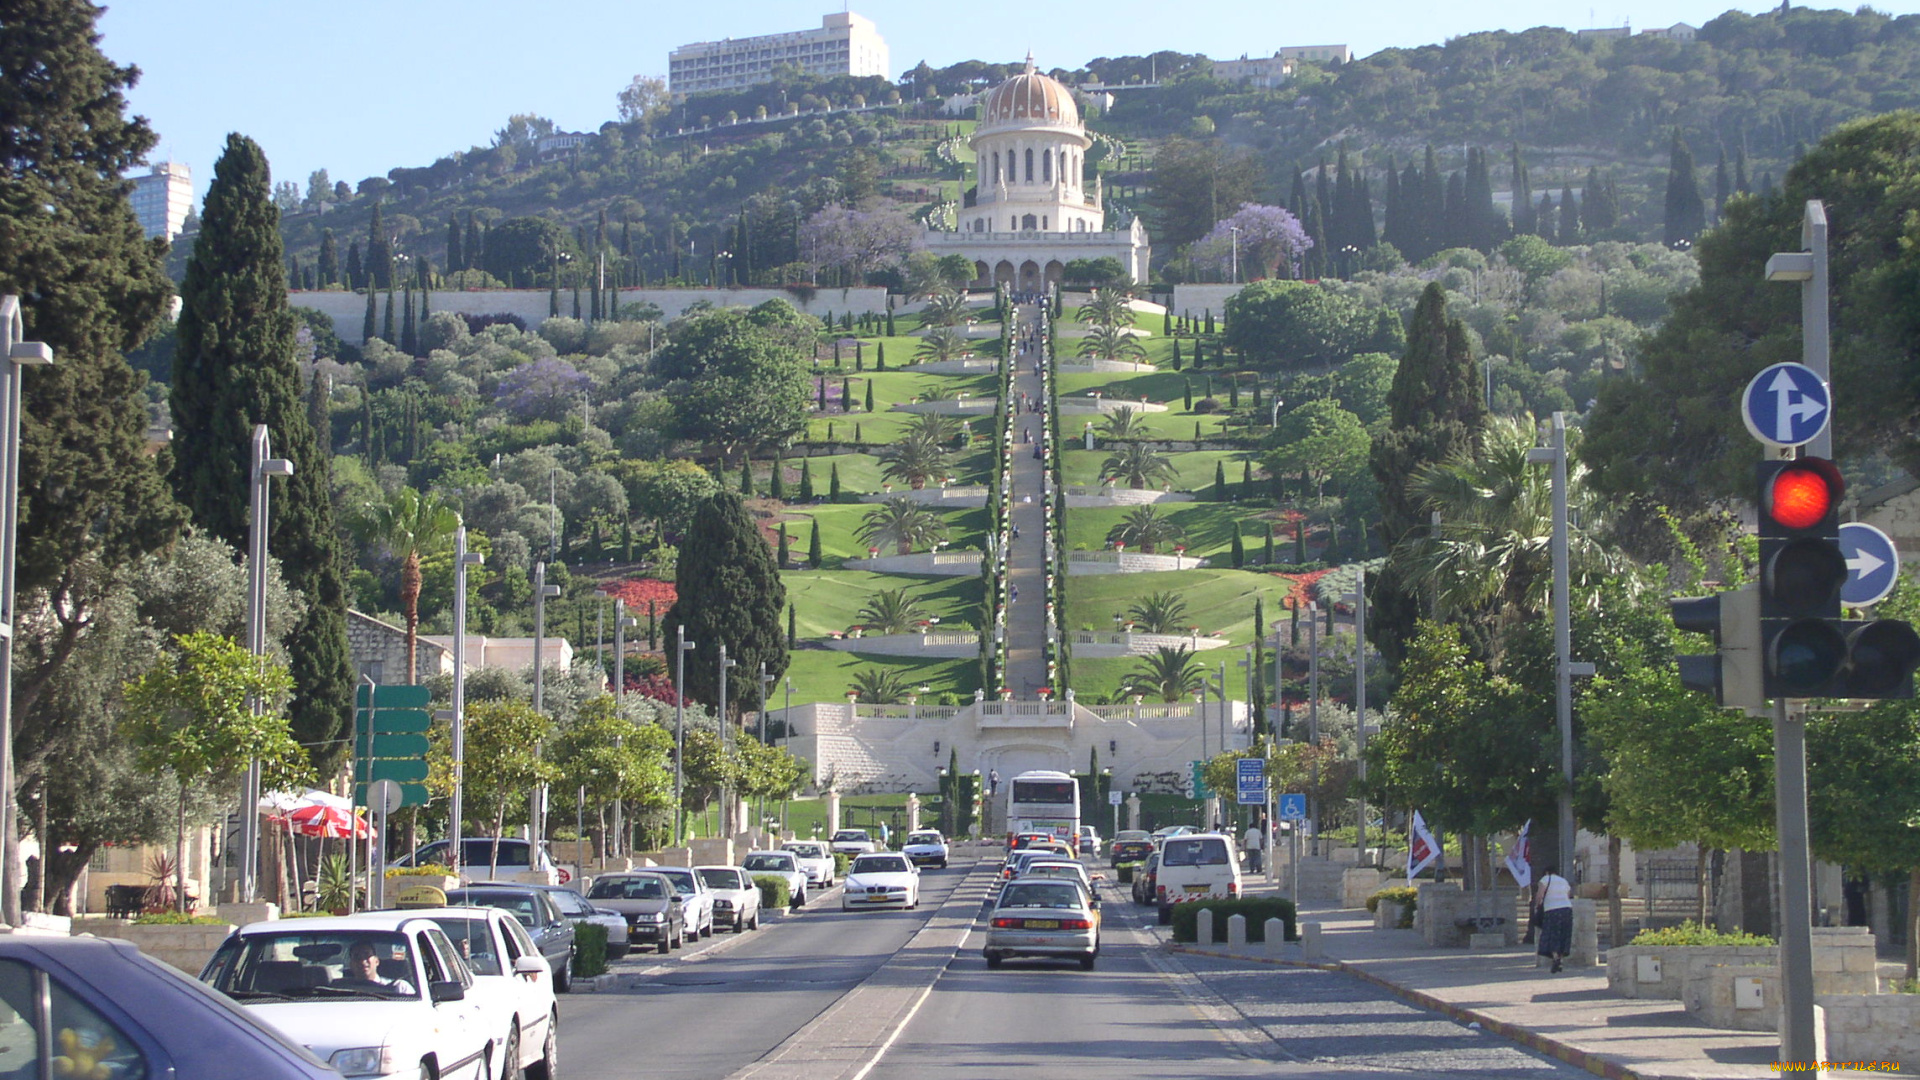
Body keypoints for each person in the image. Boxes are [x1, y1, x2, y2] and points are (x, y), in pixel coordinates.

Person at [336, 940, 416, 995]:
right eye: (357, 956)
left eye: (367, 955)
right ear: (351, 964)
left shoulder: (399, 987)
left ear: (377, 961)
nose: (363, 961)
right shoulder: (339, 990)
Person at [1533, 865, 1574, 973]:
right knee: (1563, 935)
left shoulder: (1545, 879)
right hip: (1567, 909)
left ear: (1547, 872)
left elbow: (1540, 895)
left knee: (1552, 934)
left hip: (1552, 910)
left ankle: (1556, 958)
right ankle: (1560, 958)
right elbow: (1568, 895)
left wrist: (1537, 906)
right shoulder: (1564, 881)